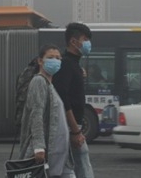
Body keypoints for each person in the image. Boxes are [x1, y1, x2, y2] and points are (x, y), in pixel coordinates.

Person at [19, 44, 75, 178]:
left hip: (60, 153)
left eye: (58, 58)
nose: (55, 61)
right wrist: (38, 147)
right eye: (50, 57)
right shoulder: (39, 81)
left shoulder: (50, 85)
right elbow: (36, 115)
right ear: (40, 61)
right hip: (47, 153)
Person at [53, 23, 95, 178]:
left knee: (76, 166)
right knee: (82, 166)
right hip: (69, 127)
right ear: (73, 41)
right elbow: (63, 99)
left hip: (72, 127)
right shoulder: (66, 64)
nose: (88, 43)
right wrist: (75, 131)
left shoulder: (73, 65)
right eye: (85, 39)